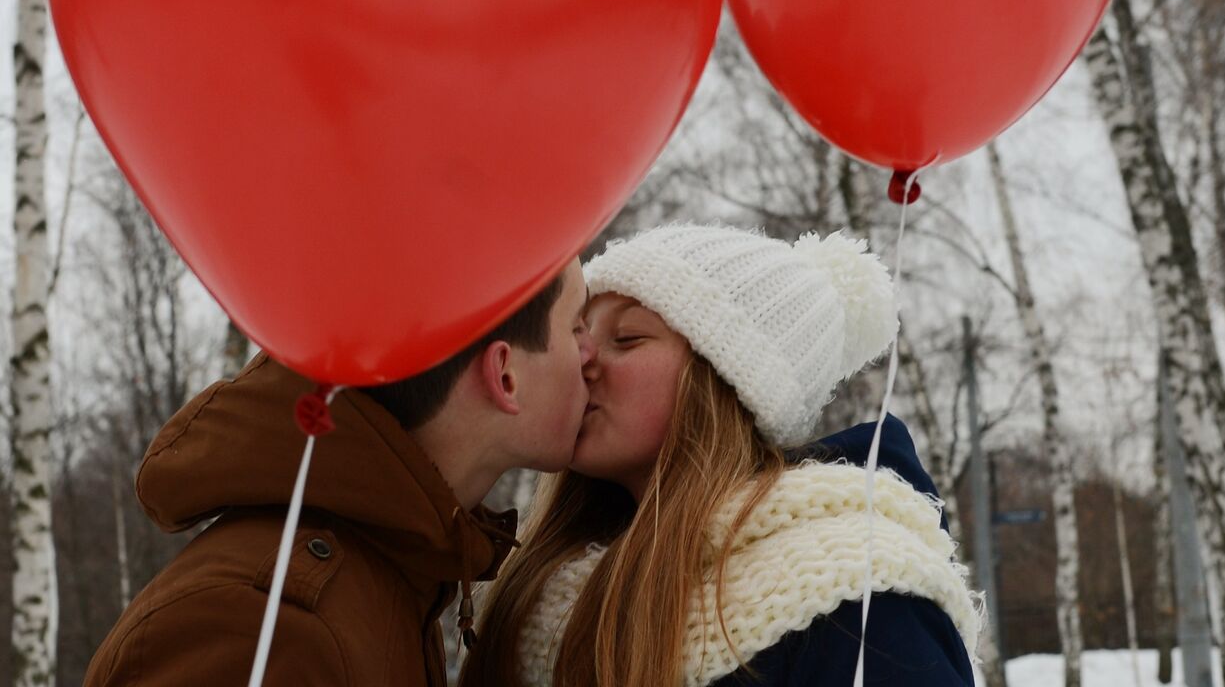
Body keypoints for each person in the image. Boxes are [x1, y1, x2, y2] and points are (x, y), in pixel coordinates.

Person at [460, 224, 981, 687]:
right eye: (580, 332)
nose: (584, 359)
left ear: (727, 382)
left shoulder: (860, 600)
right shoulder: (538, 597)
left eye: (626, 337)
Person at [84, 259, 596, 687]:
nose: (593, 355)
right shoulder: (263, 624)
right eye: (577, 327)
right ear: (505, 375)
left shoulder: (396, 578)